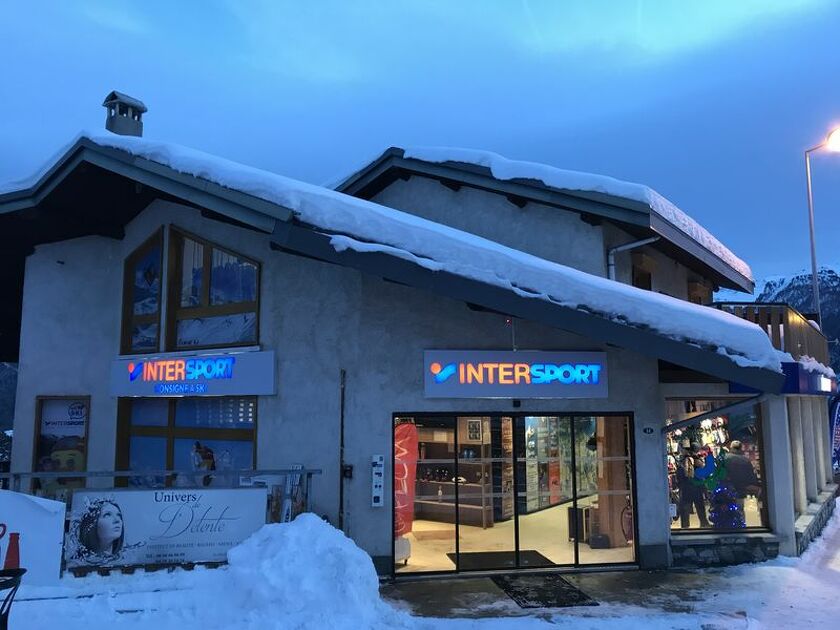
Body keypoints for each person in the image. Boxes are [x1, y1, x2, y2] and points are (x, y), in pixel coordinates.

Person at [724, 440, 760, 520]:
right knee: (739, 509)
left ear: (731, 447)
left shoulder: (725, 458)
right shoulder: (745, 460)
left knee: (727, 509)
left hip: (727, 488)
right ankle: (740, 524)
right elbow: (750, 476)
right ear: (740, 448)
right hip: (741, 489)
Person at [677, 443, 709, 528]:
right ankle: (704, 523)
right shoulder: (696, 459)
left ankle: (685, 526)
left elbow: (680, 475)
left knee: (685, 507)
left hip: (686, 487)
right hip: (696, 486)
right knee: (699, 506)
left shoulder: (683, 460)